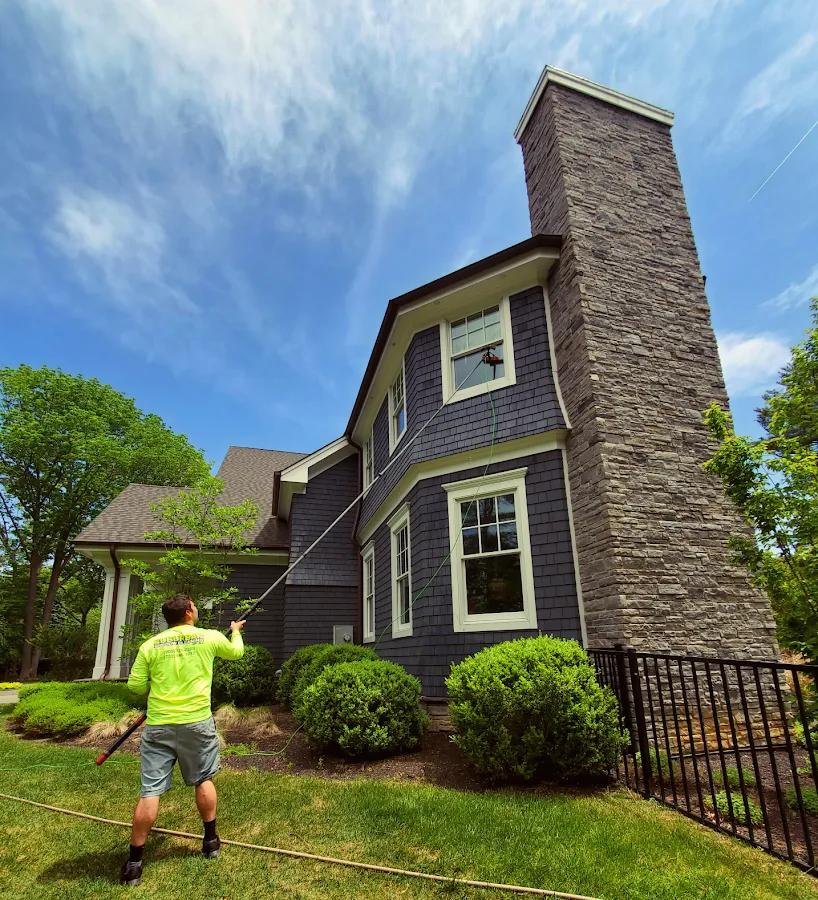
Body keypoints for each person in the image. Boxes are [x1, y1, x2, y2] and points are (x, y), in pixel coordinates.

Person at [119, 593, 246, 887]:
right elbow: (235, 653)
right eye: (195, 606)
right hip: (197, 724)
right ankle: (211, 842)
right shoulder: (210, 637)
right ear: (189, 612)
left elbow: (136, 684)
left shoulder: (150, 645)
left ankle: (134, 864)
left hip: (159, 724)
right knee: (203, 779)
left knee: (150, 791)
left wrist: (157, 690)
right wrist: (236, 633)